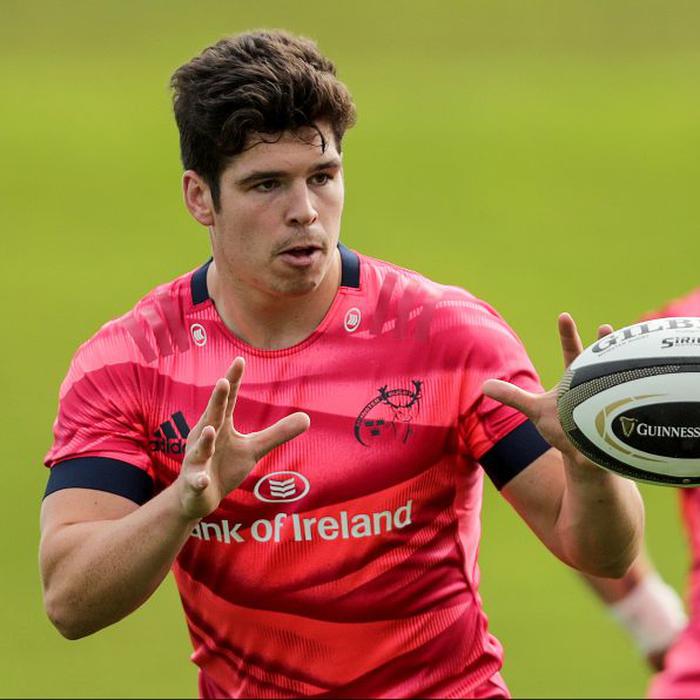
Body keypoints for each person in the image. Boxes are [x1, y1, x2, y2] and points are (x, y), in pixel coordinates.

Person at [40, 30, 644, 698]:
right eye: (266, 184)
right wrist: (182, 505)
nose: (304, 212)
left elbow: (603, 552)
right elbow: (69, 600)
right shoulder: (131, 363)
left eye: (321, 177)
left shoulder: (445, 336)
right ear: (199, 197)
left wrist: (591, 469)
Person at [582, 289, 700, 700]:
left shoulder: (687, 323)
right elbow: (577, 456)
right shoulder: (684, 330)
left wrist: (654, 627)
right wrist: (654, 625)